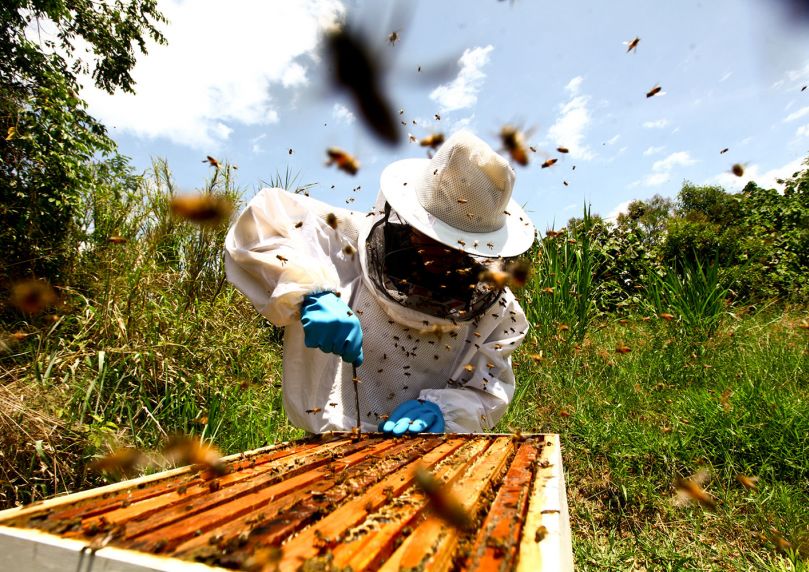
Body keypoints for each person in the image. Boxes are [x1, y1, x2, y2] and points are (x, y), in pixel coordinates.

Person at [224, 131, 535, 435]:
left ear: (481, 245)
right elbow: (261, 226)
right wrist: (311, 293)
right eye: (433, 237)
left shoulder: (499, 311)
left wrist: (445, 411)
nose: (441, 252)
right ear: (411, 214)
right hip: (327, 442)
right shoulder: (344, 237)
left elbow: (488, 390)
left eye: (458, 245)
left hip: (428, 452)